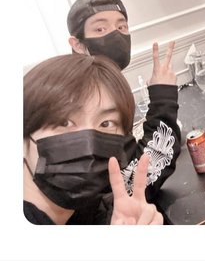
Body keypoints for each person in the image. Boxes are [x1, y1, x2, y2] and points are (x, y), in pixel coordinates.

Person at [24, 54, 168, 224]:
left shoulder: (94, 203)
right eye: (65, 122)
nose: (89, 146)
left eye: (106, 123)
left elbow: (151, 165)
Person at [66, 0, 181, 198]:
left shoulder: (100, 82)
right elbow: (137, 181)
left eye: (121, 27)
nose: (115, 35)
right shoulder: (88, 98)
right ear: (78, 45)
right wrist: (163, 96)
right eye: (100, 29)